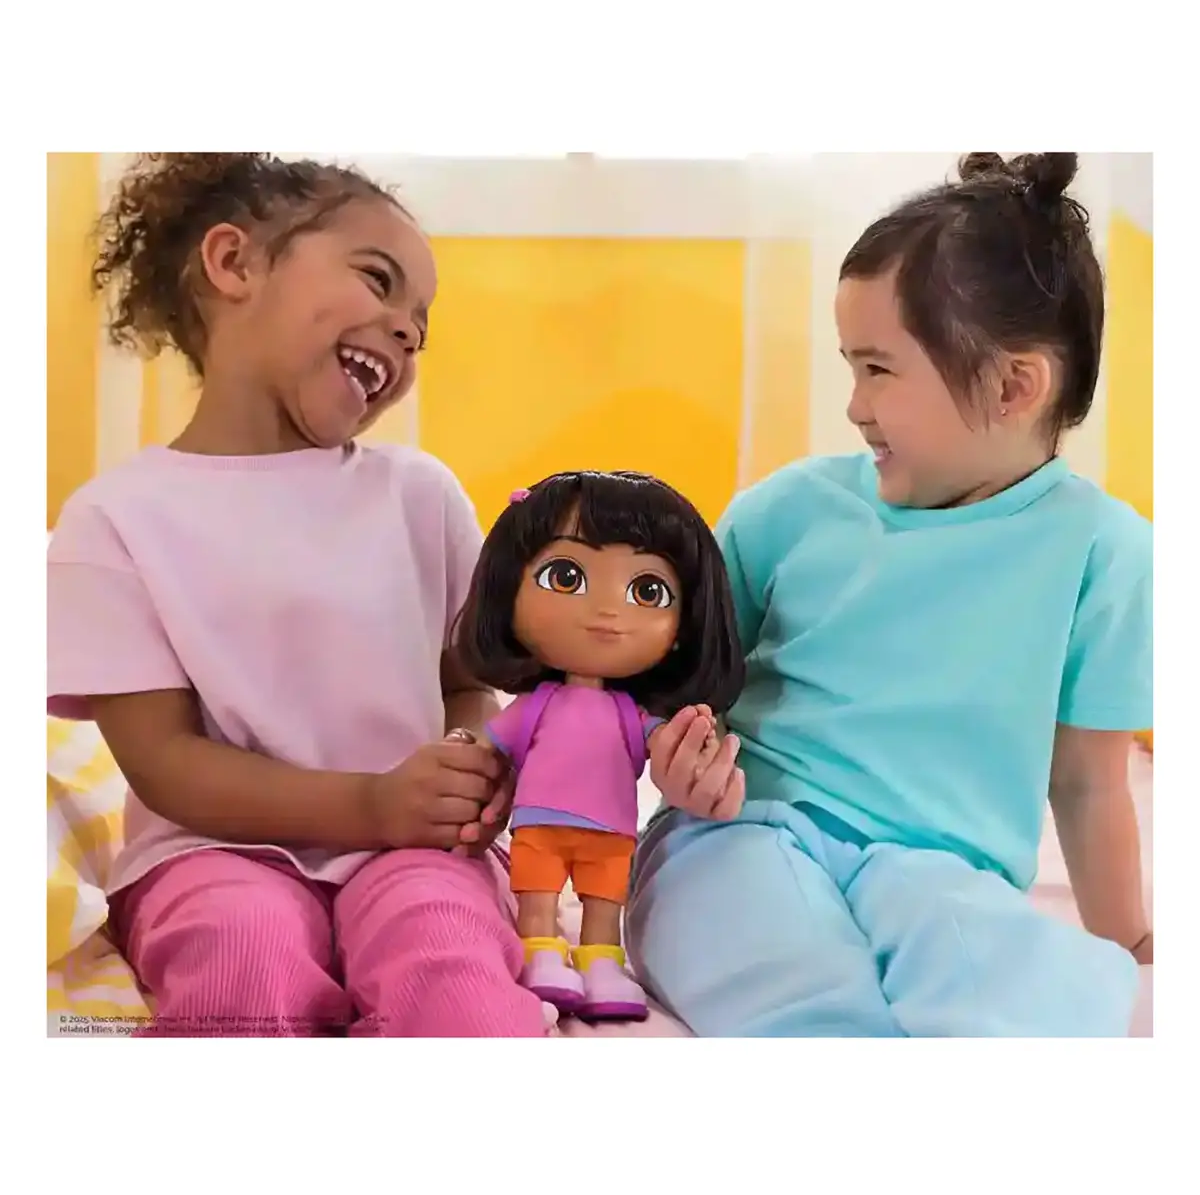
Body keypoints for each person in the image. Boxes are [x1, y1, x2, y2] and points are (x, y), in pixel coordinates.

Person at [627, 152, 1152, 1037]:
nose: (854, 406)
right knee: (759, 943)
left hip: (941, 870)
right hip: (744, 829)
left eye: (877, 369)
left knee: (1028, 978)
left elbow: (1089, 784)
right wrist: (676, 756)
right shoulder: (785, 512)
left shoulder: (1106, 553)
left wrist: (1132, 944)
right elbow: (676, 688)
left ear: (1014, 386)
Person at [47, 151, 545, 1036]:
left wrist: (464, 762)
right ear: (233, 263)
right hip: (210, 854)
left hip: (416, 851)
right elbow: (164, 762)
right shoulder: (115, 519)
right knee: (241, 963)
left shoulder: (420, 496)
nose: (406, 332)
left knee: (452, 973)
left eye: (420, 327)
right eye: (379, 281)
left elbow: (466, 681)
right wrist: (369, 803)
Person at [454, 472, 745, 1021]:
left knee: (604, 904)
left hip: (612, 830)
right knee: (538, 897)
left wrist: (698, 768)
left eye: (647, 591)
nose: (608, 611)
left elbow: (668, 755)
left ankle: (601, 965)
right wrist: (463, 765)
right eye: (566, 577)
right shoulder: (536, 705)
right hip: (538, 824)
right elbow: (486, 746)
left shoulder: (636, 718)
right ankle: (540, 953)